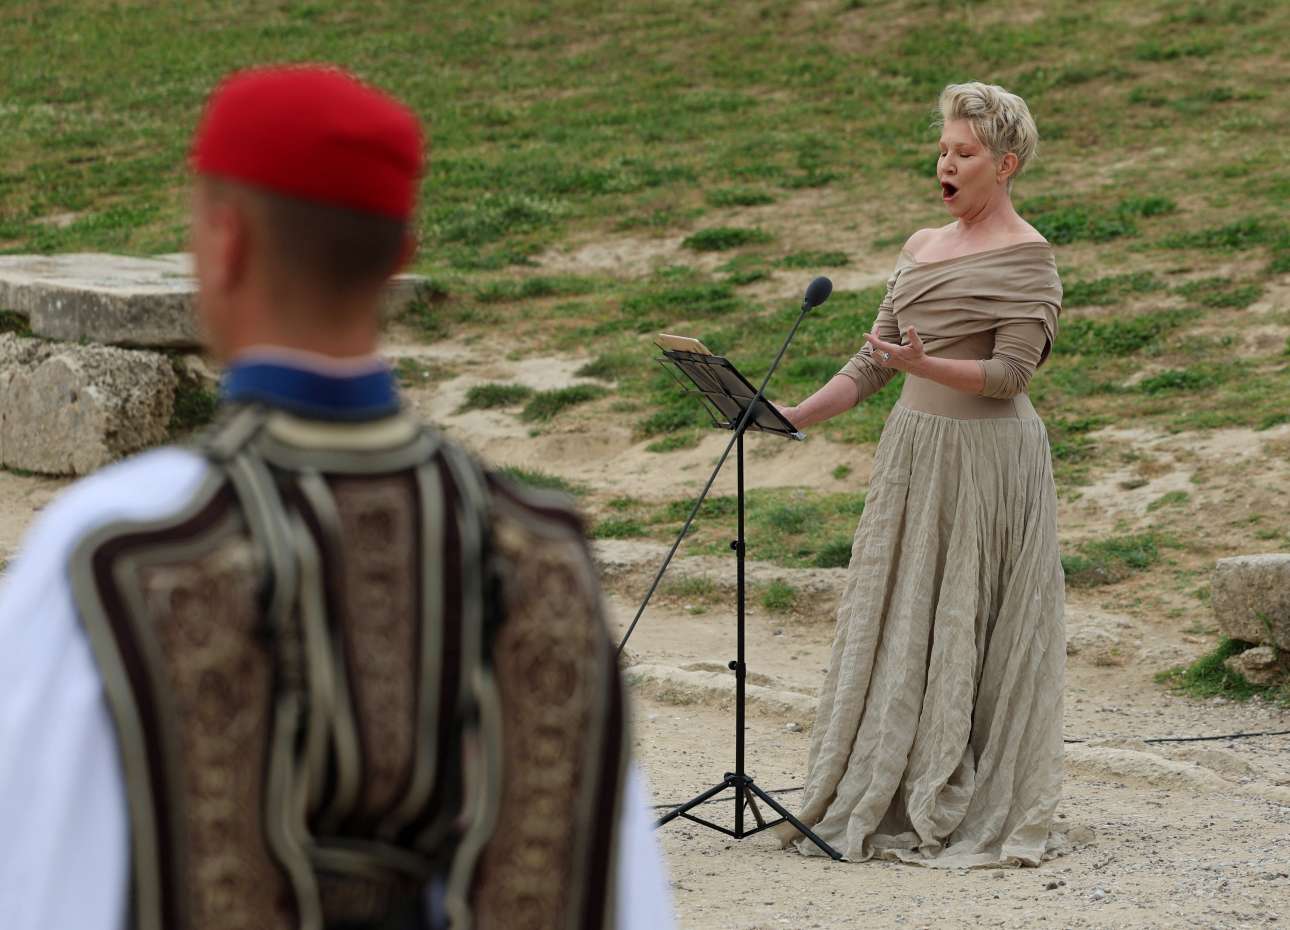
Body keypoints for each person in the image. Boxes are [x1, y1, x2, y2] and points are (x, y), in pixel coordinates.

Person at [0, 65, 674, 930]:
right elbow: (621, 898)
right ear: (401, 258)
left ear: (226, 242)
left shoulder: (117, 543)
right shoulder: (542, 551)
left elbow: (37, 883)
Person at [772, 81, 1065, 868]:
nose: (946, 164)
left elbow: (1010, 376)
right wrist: (793, 415)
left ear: (1005, 164)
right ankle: (888, 776)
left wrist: (926, 364)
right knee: (899, 618)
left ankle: (959, 784)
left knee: (972, 623)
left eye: (964, 153)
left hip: (989, 463)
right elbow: (875, 360)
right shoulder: (920, 246)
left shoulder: (1030, 258)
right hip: (914, 453)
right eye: (943, 149)